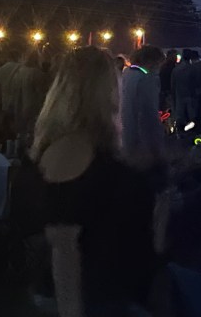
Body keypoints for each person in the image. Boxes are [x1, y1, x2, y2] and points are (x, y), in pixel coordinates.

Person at [32, 46, 157, 317]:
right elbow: (67, 250)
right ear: (109, 91)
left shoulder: (43, 156)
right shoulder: (107, 169)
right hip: (102, 299)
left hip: (55, 294)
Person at [119, 45, 166, 169]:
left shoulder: (126, 74)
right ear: (152, 61)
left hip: (124, 133)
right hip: (142, 138)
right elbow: (149, 111)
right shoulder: (147, 79)